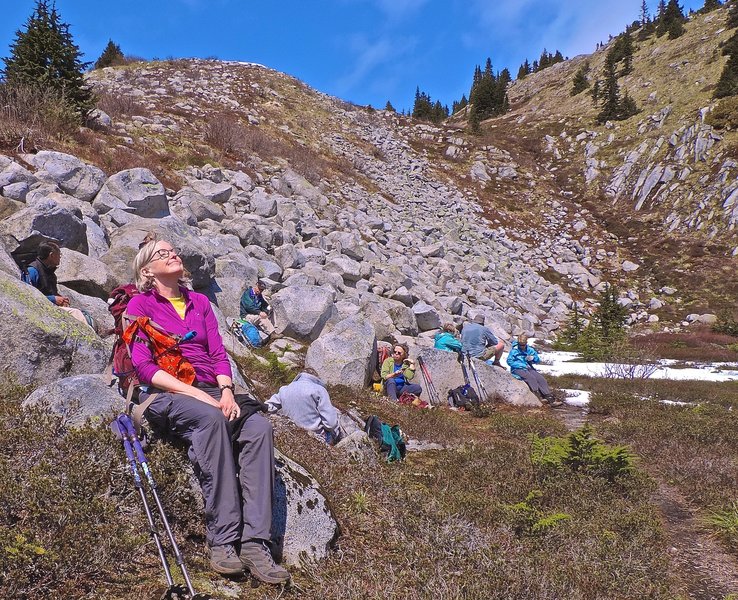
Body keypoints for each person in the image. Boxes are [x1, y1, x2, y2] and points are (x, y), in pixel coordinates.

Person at [126, 239, 290, 584]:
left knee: (258, 426)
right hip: (167, 391)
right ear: (147, 271)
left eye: (174, 251)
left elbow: (218, 354)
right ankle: (224, 539)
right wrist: (201, 397)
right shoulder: (140, 304)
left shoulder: (200, 302)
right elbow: (143, 367)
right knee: (212, 419)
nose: (173, 255)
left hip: (215, 390)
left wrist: (227, 391)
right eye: (163, 253)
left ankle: (255, 542)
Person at [25, 241, 93, 328]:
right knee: (76, 313)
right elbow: (28, 297)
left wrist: (61, 299)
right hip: (39, 310)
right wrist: (53, 299)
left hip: (50, 307)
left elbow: (49, 291)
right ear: (52, 255)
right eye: (59, 255)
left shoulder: (49, 272)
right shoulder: (32, 271)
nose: (60, 258)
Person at [265, 370, 343, 444]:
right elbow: (330, 424)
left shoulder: (284, 389)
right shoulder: (319, 390)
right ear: (316, 377)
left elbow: (268, 406)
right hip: (316, 437)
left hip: (291, 433)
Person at [506, 334, 561, 407]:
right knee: (531, 378)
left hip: (528, 368)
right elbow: (509, 362)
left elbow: (537, 360)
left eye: (523, 345)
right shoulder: (514, 351)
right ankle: (538, 397)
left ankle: (550, 398)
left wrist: (533, 358)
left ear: (526, 343)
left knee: (541, 379)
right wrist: (521, 365)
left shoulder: (530, 350)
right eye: (520, 345)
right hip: (517, 369)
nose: (522, 346)